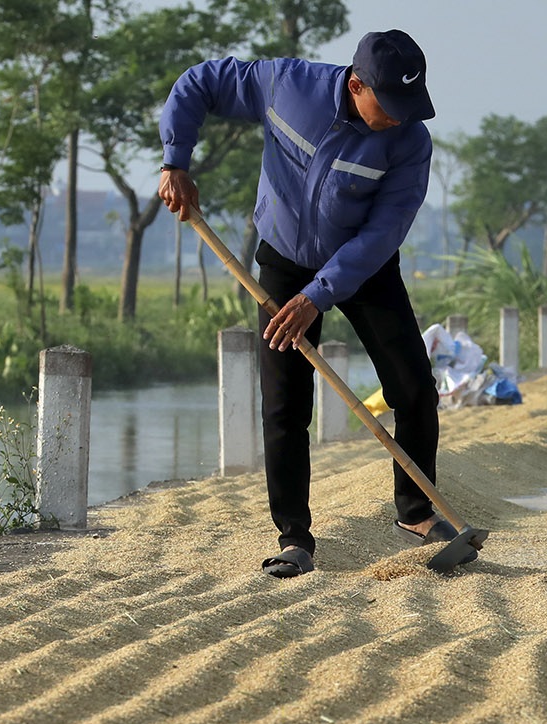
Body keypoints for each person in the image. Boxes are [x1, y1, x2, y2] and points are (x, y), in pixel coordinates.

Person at [156, 30, 445, 578]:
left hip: (364, 266)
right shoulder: (288, 86)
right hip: (285, 260)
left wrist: (320, 295)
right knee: (285, 404)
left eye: (412, 106)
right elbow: (197, 84)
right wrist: (176, 160)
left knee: (414, 387)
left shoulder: (411, 143)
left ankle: (415, 514)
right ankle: (295, 538)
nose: (403, 118)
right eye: (392, 105)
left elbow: (385, 231)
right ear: (355, 85)